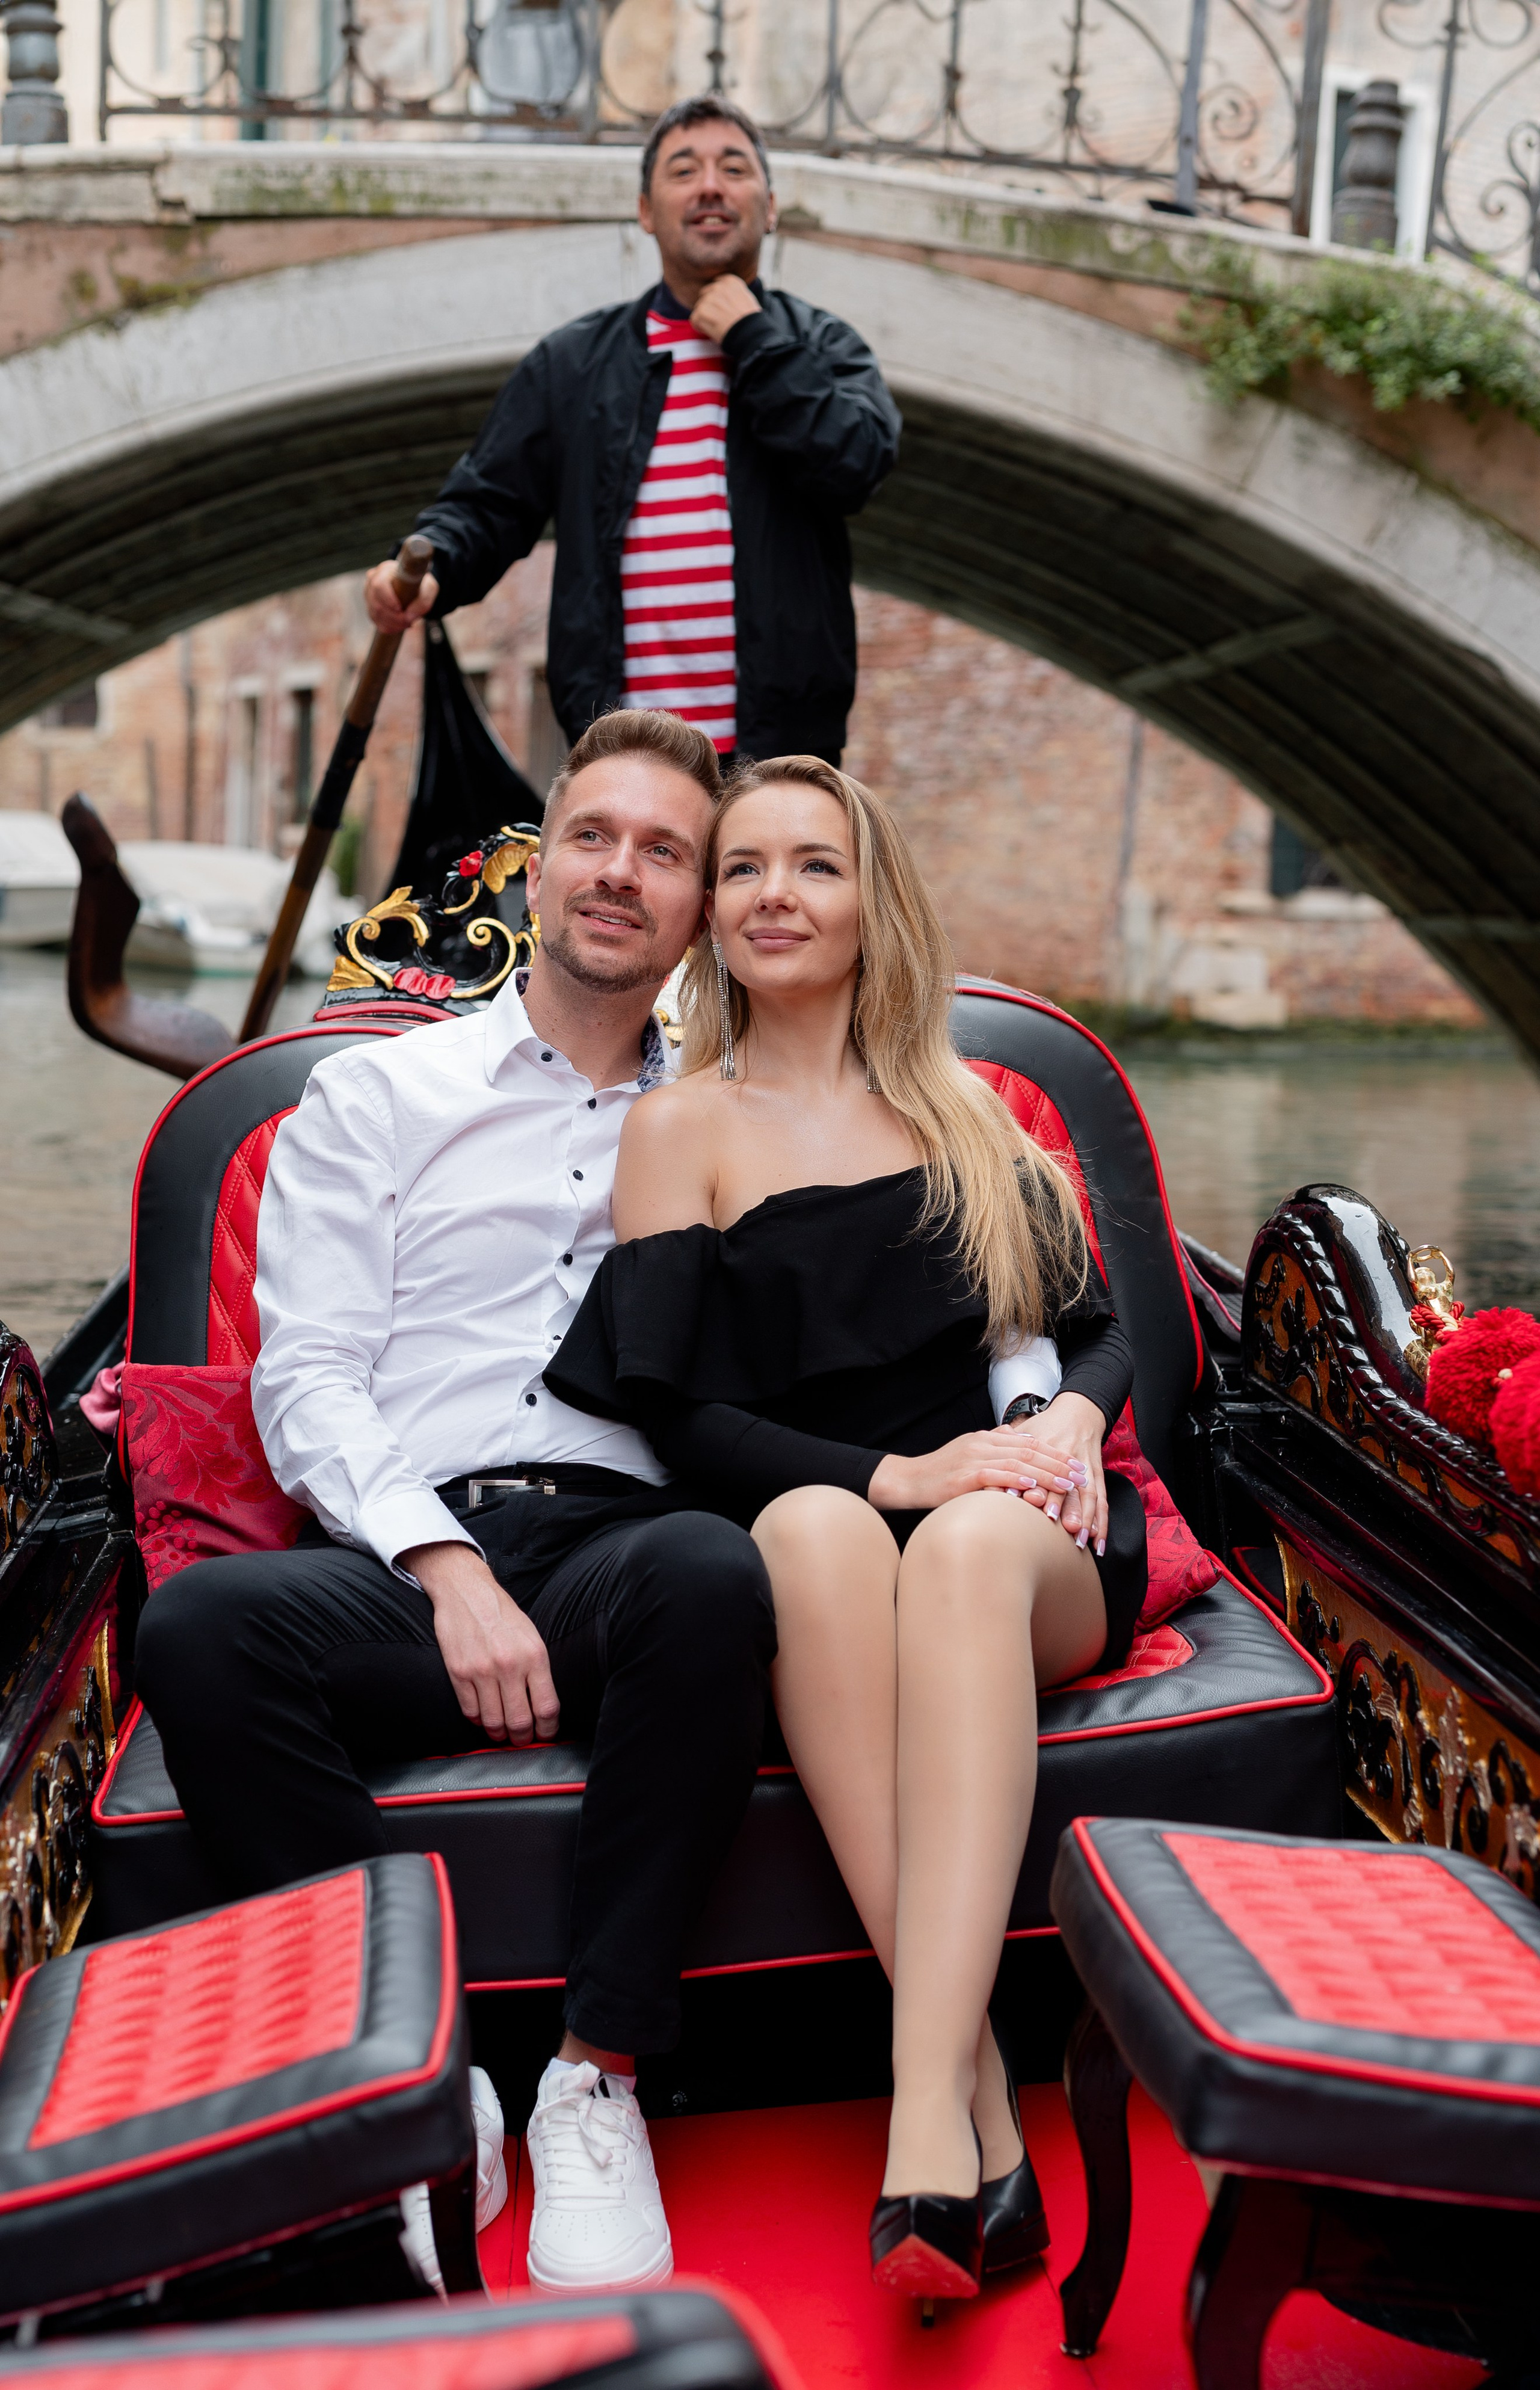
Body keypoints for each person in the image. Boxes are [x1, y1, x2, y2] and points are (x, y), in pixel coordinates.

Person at [134, 709, 780, 2300]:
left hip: (629, 1546)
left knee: (711, 1575)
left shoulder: (735, 1116)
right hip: (411, 1553)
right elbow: (308, 1382)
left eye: (665, 852)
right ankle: (429, 2074)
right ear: (537, 861)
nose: (621, 873)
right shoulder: (377, 1100)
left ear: (698, 904)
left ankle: (596, 2075)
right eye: (595, 835)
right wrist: (439, 1559)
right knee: (204, 1627)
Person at [546, 756, 1146, 2304]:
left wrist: (1068, 1422)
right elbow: (678, 1419)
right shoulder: (680, 1128)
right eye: (740, 869)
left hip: (1018, 1543)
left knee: (953, 1546)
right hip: (853, 1516)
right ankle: (978, 2104)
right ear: (708, 914)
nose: (771, 896)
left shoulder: (966, 1109)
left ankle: (916, 2120)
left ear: (871, 906)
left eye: (812, 866)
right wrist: (900, 1473)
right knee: (808, 1524)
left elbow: (1094, 1335)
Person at [363, 93, 901, 766]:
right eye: (683, 170)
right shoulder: (572, 365)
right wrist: (431, 565)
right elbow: (488, 502)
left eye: (734, 169)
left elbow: (855, 460)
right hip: (621, 760)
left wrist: (752, 338)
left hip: (779, 765)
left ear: (769, 206)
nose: (710, 185)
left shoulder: (820, 347)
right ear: (646, 212)